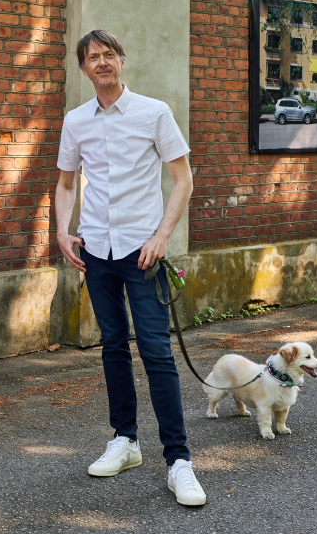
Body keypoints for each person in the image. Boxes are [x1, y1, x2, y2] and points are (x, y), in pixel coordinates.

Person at [54, 30, 205, 507]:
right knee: (113, 346)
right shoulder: (75, 121)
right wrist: (62, 229)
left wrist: (161, 236)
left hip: (144, 252)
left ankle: (179, 462)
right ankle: (125, 441)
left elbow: (183, 180)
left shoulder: (154, 112)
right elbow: (64, 184)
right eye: (93, 57)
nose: (102, 62)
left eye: (109, 55)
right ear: (83, 69)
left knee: (157, 352)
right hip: (96, 250)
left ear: (121, 61)